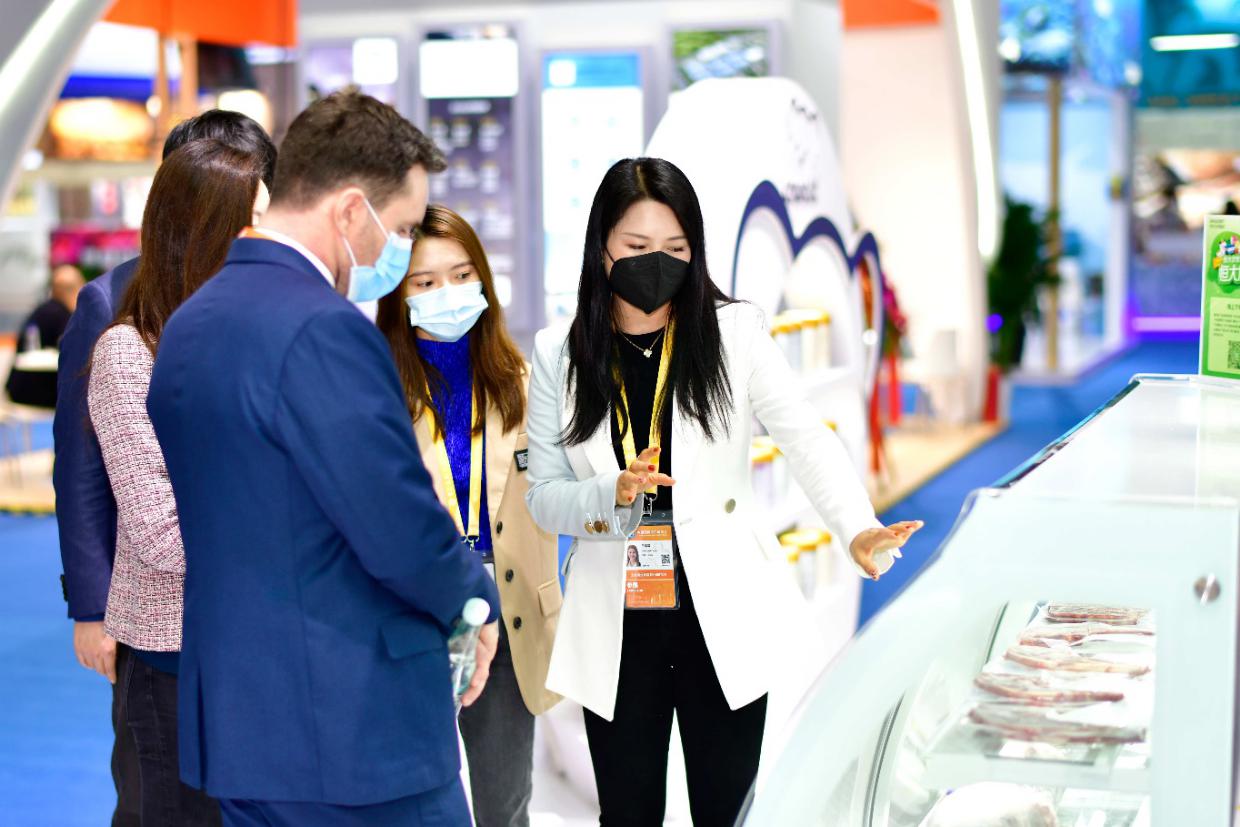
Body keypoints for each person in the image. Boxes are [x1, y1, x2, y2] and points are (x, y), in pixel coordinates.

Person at [524, 157, 923, 826]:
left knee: (726, 809)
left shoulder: (733, 333)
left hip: (722, 616)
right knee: (627, 815)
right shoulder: (558, 353)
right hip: (618, 623)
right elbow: (544, 495)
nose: (657, 263)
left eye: (676, 248)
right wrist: (610, 492)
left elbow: (805, 436)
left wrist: (856, 525)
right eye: (637, 246)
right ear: (602, 247)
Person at [145, 89, 500, 827]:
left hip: (243, 727)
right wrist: (475, 602)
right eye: (401, 228)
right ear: (349, 211)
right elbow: (398, 525)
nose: (396, 250)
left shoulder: (189, 326)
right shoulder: (322, 330)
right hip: (355, 733)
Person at [52, 109, 277, 827]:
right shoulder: (119, 325)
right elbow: (85, 473)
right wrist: (91, 607)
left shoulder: (266, 321)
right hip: (166, 628)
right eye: (252, 219)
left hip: (254, 639)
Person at [375, 204, 563, 827]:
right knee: (413, 799)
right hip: (417, 610)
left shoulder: (524, 382)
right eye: (425, 283)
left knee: (504, 804)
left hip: (508, 607)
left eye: (460, 276)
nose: (447, 294)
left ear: (483, 278)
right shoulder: (376, 390)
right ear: (400, 294)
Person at [4, 264, 84, 407]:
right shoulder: (62, 316)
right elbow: (73, 353)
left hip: (18, 388)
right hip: (38, 392)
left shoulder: (42, 311)